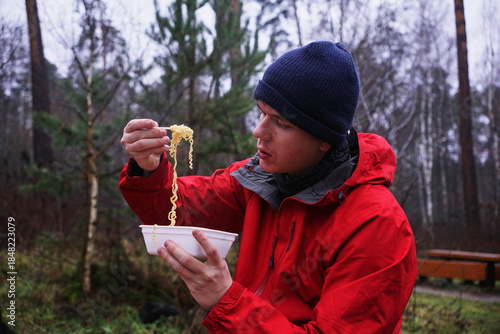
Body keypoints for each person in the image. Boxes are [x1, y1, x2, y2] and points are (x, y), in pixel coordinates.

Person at [119, 41, 417, 333]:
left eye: (281, 123)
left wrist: (227, 302)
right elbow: (178, 210)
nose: (258, 131)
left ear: (324, 138)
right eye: (262, 113)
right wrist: (149, 167)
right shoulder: (257, 180)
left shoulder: (376, 225)